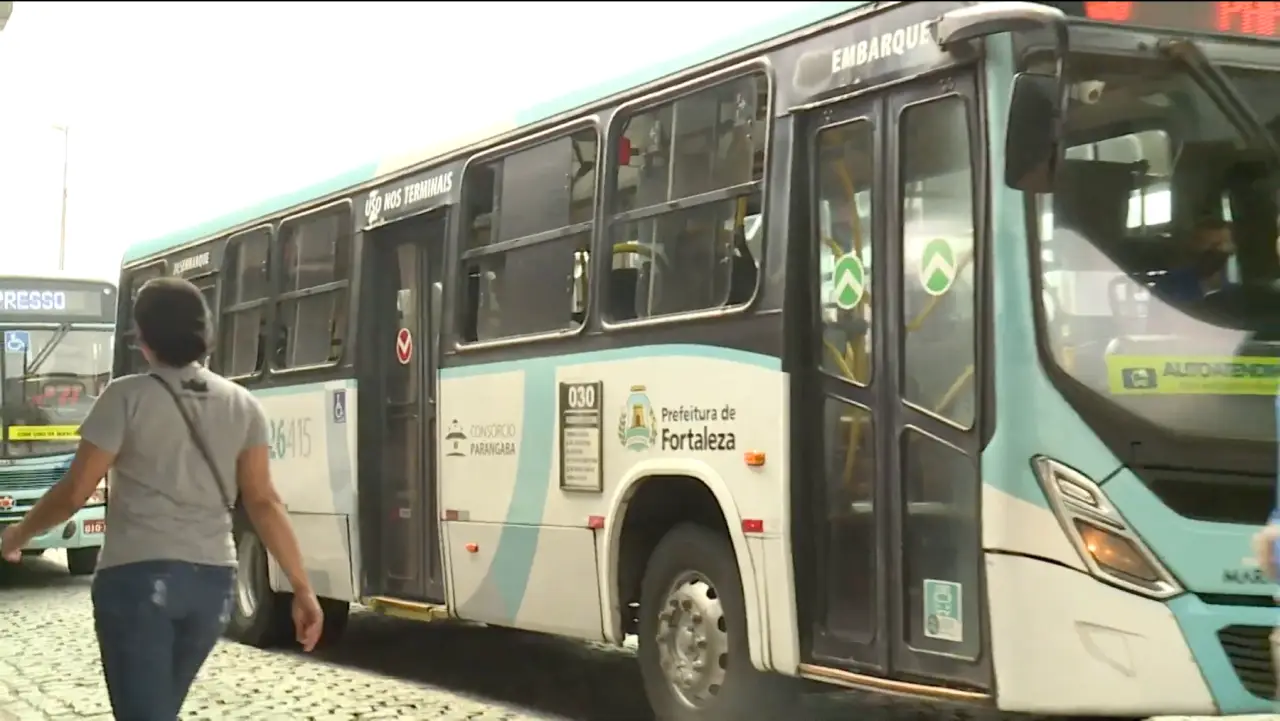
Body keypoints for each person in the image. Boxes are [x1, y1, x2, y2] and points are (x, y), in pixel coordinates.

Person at [0, 276, 323, 720]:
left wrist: (17, 534)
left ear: (143, 337)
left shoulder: (124, 398)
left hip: (137, 581)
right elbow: (264, 502)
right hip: (213, 585)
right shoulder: (243, 405)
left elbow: (75, 491)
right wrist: (302, 589)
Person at [1158, 216, 1236, 302]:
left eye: (1220, 244)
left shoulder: (1236, 292)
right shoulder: (1170, 285)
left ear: (1232, 249)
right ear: (1193, 246)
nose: (1216, 250)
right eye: (1210, 245)